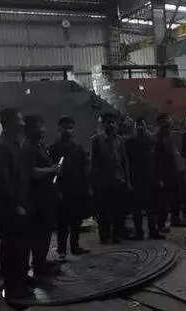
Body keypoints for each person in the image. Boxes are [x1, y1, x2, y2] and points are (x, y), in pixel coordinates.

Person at [0, 108, 29, 298]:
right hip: (7, 206)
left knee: (21, 244)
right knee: (11, 245)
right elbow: (3, 180)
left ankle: (22, 278)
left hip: (19, 202)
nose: (23, 123)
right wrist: (16, 204)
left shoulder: (15, 143)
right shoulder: (1, 146)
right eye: (19, 119)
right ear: (11, 122)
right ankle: (12, 286)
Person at [21, 115, 59, 278]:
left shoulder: (39, 145)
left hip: (45, 196)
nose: (43, 130)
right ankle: (39, 266)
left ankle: (41, 261)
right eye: (39, 127)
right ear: (29, 130)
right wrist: (53, 170)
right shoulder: (28, 148)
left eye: (42, 126)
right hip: (36, 199)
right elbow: (33, 172)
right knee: (39, 233)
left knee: (45, 232)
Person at [48, 116, 89, 259]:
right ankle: (61, 250)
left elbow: (84, 169)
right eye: (65, 127)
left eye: (70, 128)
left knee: (76, 220)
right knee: (62, 223)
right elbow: (52, 172)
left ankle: (75, 246)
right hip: (62, 190)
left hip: (77, 189)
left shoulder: (78, 148)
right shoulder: (53, 149)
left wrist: (86, 187)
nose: (68, 130)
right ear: (59, 129)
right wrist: (55, 190)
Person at [91, 112, 129, 244]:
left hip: (118, 179)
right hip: (103, 181)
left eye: (113, 122)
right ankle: (104, 235)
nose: (111, 125)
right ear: (103, 124)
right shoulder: (96, 140)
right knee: (103, 211)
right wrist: (94, 182)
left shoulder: (120, 140)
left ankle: (116, 235)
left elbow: (124, 161)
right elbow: (93, 162)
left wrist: (127, 180)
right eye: (108, 122)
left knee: (118, 210)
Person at [125, 117, 164, 239]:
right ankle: (139, 233)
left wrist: (159, 178)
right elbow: (126, 162)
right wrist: (128, 181)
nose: (140, 127)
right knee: (137, 209)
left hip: (150, 178)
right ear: (135, 127)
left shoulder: (151, 141)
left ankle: (152, 231)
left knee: (151, 208)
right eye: (138, 125)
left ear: (145, 126)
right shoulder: (129, 143)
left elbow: (157, 161)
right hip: (136, 179)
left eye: (142, 124)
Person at [155, 113, 186, 229]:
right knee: (163, 201)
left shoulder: (170, 135)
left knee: (176, 198)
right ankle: (161, 224)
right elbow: (157, 159)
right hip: (164, 173)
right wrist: (159, 177)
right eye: (166, 120)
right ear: (161, 123)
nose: (169, 121)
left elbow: (175, 152)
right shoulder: (158, 137)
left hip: (174, 170)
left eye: (169, 119)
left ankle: (175, 219)